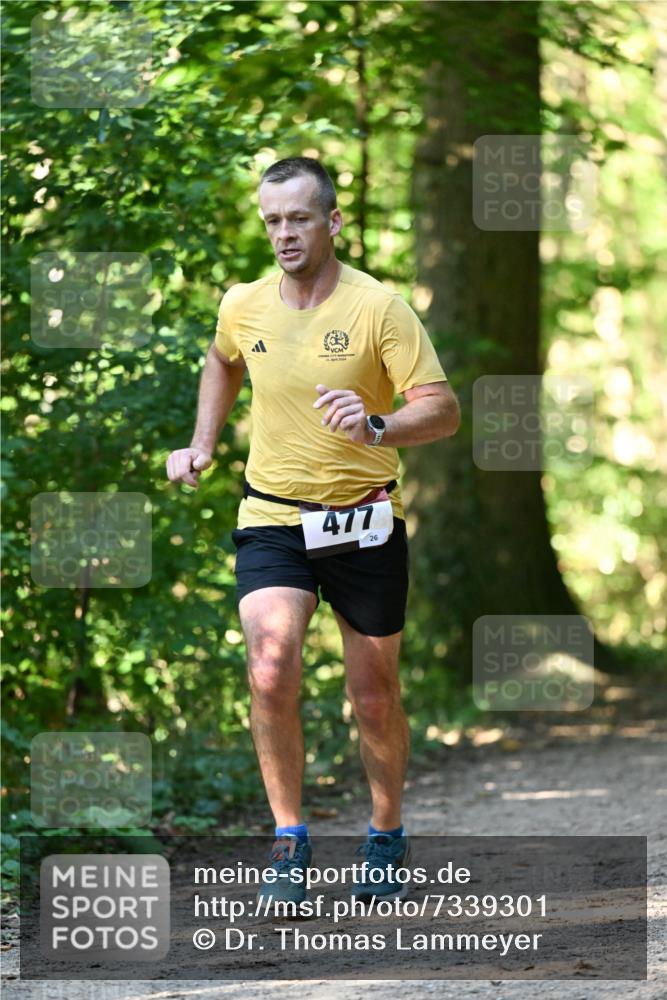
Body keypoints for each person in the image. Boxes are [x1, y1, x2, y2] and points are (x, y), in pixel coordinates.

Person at [166, 156, 460, 904]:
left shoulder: (379, 308)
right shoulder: (244, 303)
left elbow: (442, 409)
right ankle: (289, 842)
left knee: (373, 694)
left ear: (333, 220)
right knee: (270, 668)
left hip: (364, 519)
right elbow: (222, 361)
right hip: (273, 516)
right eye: (272, 221)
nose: (284, 233)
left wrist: (376, 424)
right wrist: (202, 442)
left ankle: (385, 833)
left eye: (298, 218)